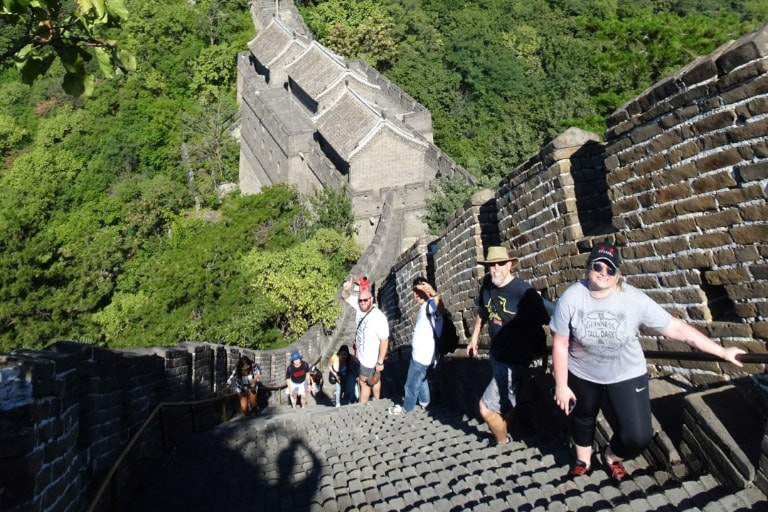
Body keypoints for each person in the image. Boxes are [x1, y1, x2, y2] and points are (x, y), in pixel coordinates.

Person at [550, 240, 745, 481]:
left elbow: (676, 328)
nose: (604, 273)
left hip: (626, 373)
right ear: (588, 268)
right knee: (583, 416)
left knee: (638, 436)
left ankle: (611, 456)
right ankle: (583, 462)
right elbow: (560, 343)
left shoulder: (634, 299)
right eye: (598, 267)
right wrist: (561, 384)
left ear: (618, 274)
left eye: (610, 269)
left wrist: (722, 352)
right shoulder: (571, 297)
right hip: (583, 372)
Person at [466, 246, 551, 445]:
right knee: (506, 401)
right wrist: (474, 337)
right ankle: (510, 431)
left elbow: (554, 315)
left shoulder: (523, 292)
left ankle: (502, 444)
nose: (496, 268)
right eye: (491, 265)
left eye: (501, 264)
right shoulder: (488, 284)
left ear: (510, 265)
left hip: (515, 358)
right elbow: (483, 310)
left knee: (485, 408)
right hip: (497, 353)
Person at [341, 276, 390, 403]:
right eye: (361, 300)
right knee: (374, 379)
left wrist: (380, 362)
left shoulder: (378, 317)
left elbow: (384, 340)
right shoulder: (358, 306)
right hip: (361, 356)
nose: (362, 302)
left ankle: (362, 407)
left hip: (370, 358)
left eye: (365, 300)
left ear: (371, 299)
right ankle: (377, 400)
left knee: (364, 382)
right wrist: (346, 289)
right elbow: (345, 297)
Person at [402, 277, 443, 413]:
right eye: (414, 291)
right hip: (420, 356)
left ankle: (407, 410)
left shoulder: (431, 304)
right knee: (422, 379)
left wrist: (434, 294)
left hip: (422, 357)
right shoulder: (424, 307)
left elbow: (440, 310)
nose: (416, 294)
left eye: (419, 290)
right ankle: (425, 403)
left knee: (411, 385)